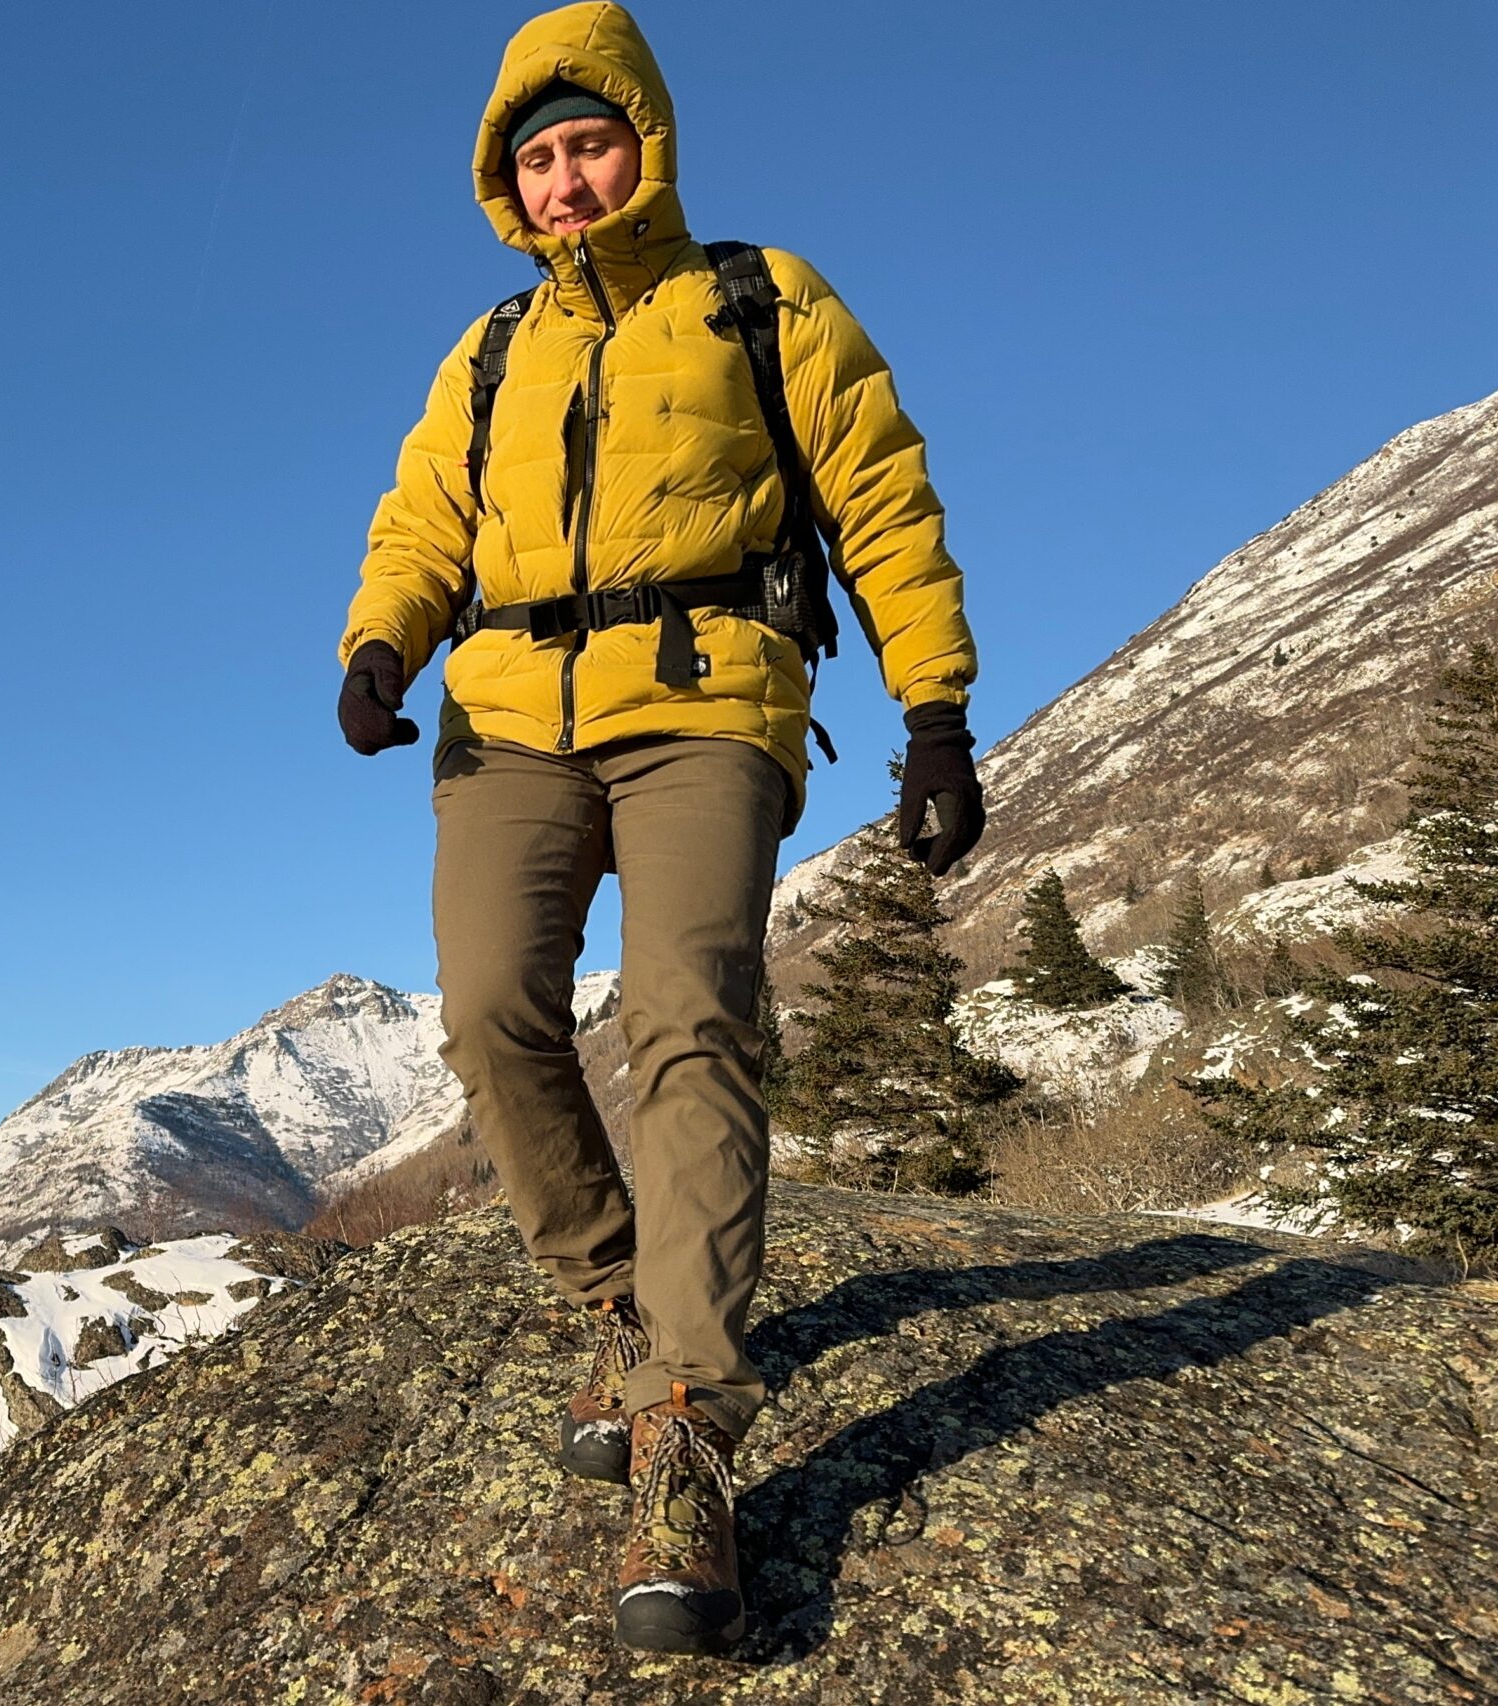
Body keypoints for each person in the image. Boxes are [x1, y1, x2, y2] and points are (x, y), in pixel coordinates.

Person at [334, 1, 984, 1657]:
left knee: (692, 1012)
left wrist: (933, 711)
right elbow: (423, 513)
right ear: (511, 181)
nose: (567, 177)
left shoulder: (762, 300)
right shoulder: (489, 350)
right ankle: (619, 1300)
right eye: (537, 157)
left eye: (589, 142)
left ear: (648, 140)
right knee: (489, 1009)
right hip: (508, 714)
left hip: (709, 701)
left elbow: (882, 496)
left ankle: (685, 1426)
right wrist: (379, 639)